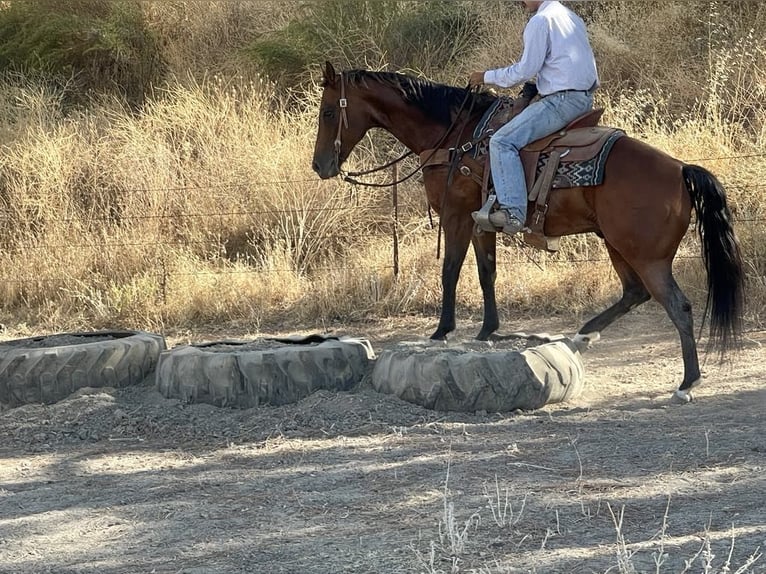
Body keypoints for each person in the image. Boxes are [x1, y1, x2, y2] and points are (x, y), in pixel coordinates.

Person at [469, 0, 599, 235]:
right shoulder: (571, 18)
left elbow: (525, 69)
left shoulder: (540, 21)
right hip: (584, 99)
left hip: (561, 101)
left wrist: (485, 77)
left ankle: (513, 212)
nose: (520, 1)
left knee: (501, 141)